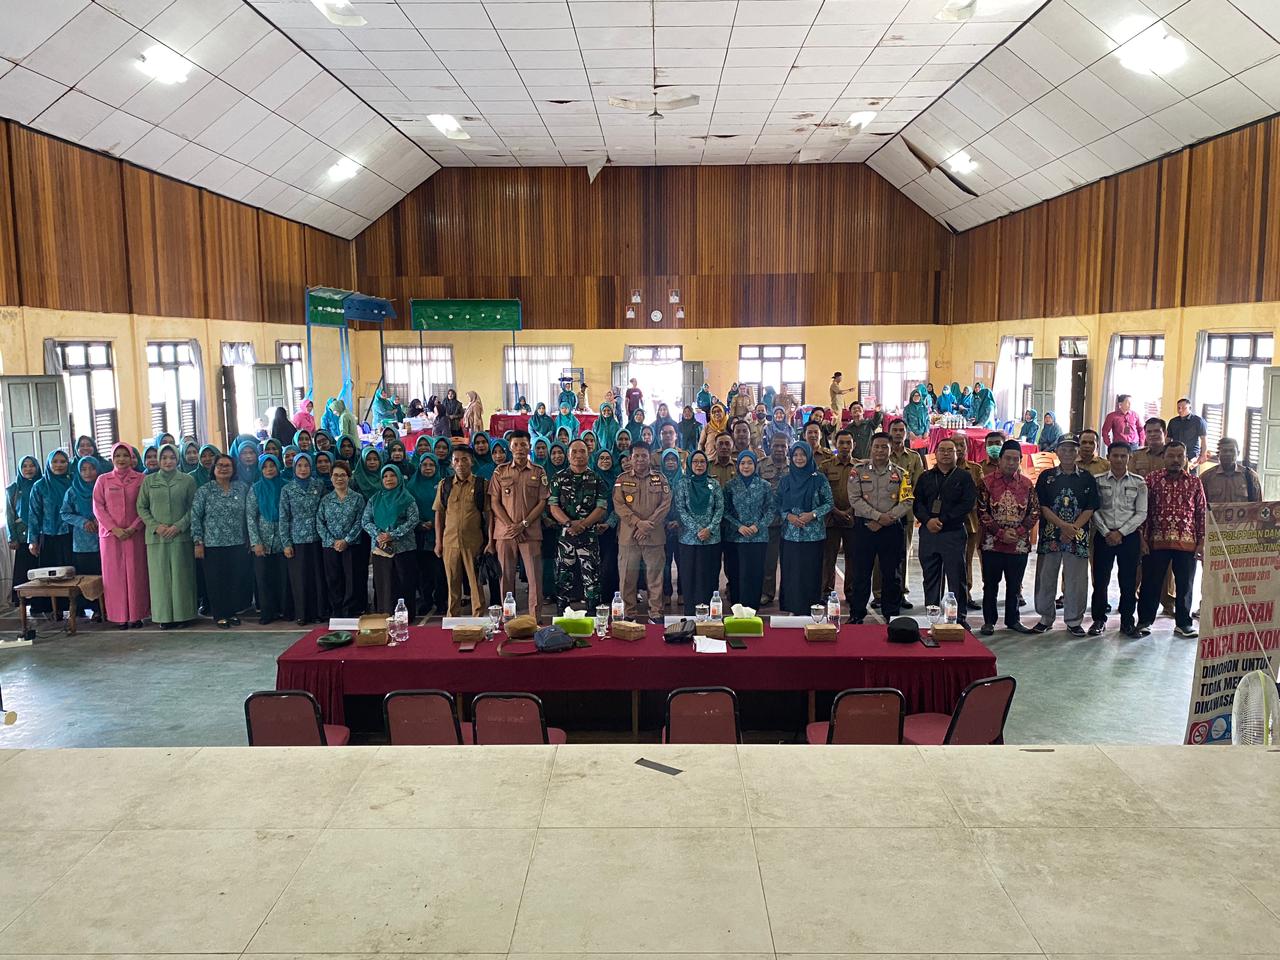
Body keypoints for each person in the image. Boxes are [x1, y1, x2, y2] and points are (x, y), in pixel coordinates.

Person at [1031, 437, 1099, 635]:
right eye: (1064, 449)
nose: (1068, 453)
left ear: (1078, 453)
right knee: (1046, 577)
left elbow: (1090, 507)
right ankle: (1045, 618)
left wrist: (1073, 528)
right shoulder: (1047, 476)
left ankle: (1074, 620)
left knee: (1076, 580)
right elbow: (1042, 505)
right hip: (1050, 536)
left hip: (1078, 537)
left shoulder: (1087, 478)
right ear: (1057, 452)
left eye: (1072, 450)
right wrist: (1062, 526)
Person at [1138, 442, 1206, 639]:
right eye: (1171, 456)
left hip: (1187, 543)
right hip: (1156, 541)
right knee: (1151, 583)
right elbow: (1143, 511)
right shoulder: (1151, 480)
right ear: (1164, 457)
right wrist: (1142, 538)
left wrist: (1202, 542)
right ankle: (1144, 621)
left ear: (1185, 458)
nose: (1176, 460)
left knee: (1185, 585)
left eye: (1179, 456)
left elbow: (1201, 513)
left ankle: (1183, 624)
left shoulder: (1195, 482)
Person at [847, 433, 913, 623]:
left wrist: (887, 519)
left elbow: (907, 500)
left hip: (891, 529)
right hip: (865, 527)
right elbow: (855, 499)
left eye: (884, 447)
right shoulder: (858, 471)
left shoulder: (901, 473)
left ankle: (891, 612)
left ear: (891, 449)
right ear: (871, 448)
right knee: (861, 573)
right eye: (876, 446)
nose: (880, 450)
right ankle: (857, 613)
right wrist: (877, 517)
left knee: (892, 573)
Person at [976, 440, 1038, 635]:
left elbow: (1034, 512)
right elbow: (982, 511)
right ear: (1000, 459)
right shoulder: (986, 482)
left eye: (1015, 459)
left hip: (1018, 544)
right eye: (1008, 458)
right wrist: (1001, 533)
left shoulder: (1027, 484)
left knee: (1014, 586)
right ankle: (989, 621)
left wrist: (1018, 532)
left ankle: (1013, 620)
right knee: (990, 585)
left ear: (1020, 460)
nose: (1011, 463)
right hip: (992, 543)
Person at [912, 438, 976, 626]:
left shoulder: (964, 477)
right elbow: (917, 503)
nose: (946, 454)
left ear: (957, 454)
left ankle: (959, 618)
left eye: (950, 450)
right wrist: (927, 520)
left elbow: (967, 503)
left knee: (956, 577)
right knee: (930, 577)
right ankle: (932, 616)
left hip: (953, 532)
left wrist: (943, 520)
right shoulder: (926, 477)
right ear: (936, 453)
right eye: (942, 450)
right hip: (929, 533)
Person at [1089, 441, 1148, 638]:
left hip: (1128, 537)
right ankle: (1099, 619)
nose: (1119, 460)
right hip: (1103, 536)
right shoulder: (1097, 481)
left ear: (1129, 458)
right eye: (1115, 456)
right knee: (1100, 580)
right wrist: (1106, 532)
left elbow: (1141, 513)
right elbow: (1093, 509)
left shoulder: (1139, 482)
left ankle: (1127, 621)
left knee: (1128, 582)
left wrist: (1121, 533)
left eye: (1124, 456)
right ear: (1108, 457)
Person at [489, 429, 549, 616]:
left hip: (530, 532)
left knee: (534, 577)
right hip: (505, 533)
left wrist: (523, 524)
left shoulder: (539, 472)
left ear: (529, 446)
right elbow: (494, 502)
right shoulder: (500, 471)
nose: (520, 448)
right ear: (510, 447)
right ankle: (508, 616)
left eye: (523, 444)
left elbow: (542, 502)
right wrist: (511, 526)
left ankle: (535, 617)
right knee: (506, 577)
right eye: (515, 445)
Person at [136, 444, 197, 629]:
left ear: (177, 459)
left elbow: (193, 507)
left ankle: (184, 615)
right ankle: (164, 616)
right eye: (164, 458)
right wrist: (156, 526)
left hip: (181, 537)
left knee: (181, 576)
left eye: (172, 457)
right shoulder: (149, 481)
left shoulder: (187, 480)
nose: (168, 461)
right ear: (158, 460)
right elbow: (141, 507)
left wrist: (179, 526)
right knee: (160, 578)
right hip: (157, 538)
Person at [612, 441, 672, 622]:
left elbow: (665, 504)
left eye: (644, 455)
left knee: (655, 577)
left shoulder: (660, 479)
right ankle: (628, 613)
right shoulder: (621, 480)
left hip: (654, 536)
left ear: (650, 457)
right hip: (629, 537)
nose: (640, 459)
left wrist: (648, 525)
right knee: (627, 578)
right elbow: (619, 505)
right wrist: (638, 523)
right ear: (630, 458)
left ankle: (656, 612)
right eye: (636, 456)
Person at [190, 453, 250, 629]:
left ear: (233, 469)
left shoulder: (242, 488)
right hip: (212, 544)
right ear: (214, 469)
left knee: (234, 579)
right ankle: (220, 614)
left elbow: (249, 514)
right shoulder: (204, 490)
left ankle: (231, 613)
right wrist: (198, 542)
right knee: (216, 581)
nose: (223, 469)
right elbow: (195, 516)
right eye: (220, 465)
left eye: (227, 466)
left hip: (237, 542)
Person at [91, 444, 148, 628]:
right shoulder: (103, 480)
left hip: (135, 534)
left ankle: (137, 615)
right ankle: (118, 616)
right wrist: (114, 529)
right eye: (117, 456)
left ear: (132, 458)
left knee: (136, 574)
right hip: (110, 536)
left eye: (125, 455)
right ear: (112, 458)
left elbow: (146, 505)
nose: (121, 459)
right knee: (114, 576)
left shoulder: (141, 479)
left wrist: (134, 527)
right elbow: (98, 507)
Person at [549, 438, 608, 611]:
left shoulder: (596, 479)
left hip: (588, 536)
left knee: (592, 578)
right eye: (574, 451)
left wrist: (583, 525)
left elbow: (601, 507)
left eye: (582, 451)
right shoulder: (558, 478)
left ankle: (593, 615)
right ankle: (562, 614)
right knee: (563, 577)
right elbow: (553, 506)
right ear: (568, 455)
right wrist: (569, 523)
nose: (578, 455)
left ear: (588, 455)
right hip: (565, 536)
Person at [872, 419, 925, 609]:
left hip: (905, 514)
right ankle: (879, 594)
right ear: (889, 431)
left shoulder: (914, 458)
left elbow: (918, 485)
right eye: (894, 430)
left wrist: (902, 508)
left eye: (901, 430)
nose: (898, 433)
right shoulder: (880, 454)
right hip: (880, 513)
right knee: (879, 555)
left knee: (903, 554)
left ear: (906, 433)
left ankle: (901, 593)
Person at [777, 441, 832, 615]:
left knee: (811, 571)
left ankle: (811, 607)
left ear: (809, 456)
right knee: (792, 571)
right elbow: (777, 503)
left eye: (802, 455)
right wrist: (788, 516)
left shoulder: (819, 479)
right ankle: (792, 606)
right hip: (790, 534)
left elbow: (829, 503)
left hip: (813, 535)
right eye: (795, 455)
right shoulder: (785, 480)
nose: (799, 458)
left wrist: (812, 514)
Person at [434, 446, 488, 616]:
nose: (460, 464)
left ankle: (478, 618)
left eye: (464, 459)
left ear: (472, 462)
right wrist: (438, 542)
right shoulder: (445, 485)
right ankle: (452, 618)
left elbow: (489, 515)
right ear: (451, 463)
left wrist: (490, 542)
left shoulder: (481, 484)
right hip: (450, 543)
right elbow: (439, 514)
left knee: (475, 583)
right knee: (452, 584)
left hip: (474, 542)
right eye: (456, 460)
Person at [364, 463, 419, 619]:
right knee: (384, 583)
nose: (389, 479)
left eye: (393, 475)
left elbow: (413, 519)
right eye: (385, 476)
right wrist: (379, 535)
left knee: (404, 582)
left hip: (404, 548)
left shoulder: (407, 498)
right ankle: (385, 614)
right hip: (381, 548)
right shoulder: (375, 499)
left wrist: (393, 535)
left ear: (399, 477)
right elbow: (365, 520)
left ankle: (405, 616)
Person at [673, 449, 723, 616]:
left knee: (709, 576)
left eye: (702, 462)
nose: (699, 465)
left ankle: (710, 613)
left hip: (711, 539)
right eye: (695, 462)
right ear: (689, 464)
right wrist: (697, 529)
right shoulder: (682, 484)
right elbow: (680, 510)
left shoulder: (714, 484)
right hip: (688, 539)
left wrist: (709, 529)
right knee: (689, 577)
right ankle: (690, 613)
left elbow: (719, 509)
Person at [279, 451, 327, 625]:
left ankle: (319, 612)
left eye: (306, 465)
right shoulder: (287, 489)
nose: (303, 469)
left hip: (318, 538)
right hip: (297, 540)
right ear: (294, 467)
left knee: (317, 577)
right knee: (299, 579)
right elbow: (284, 517)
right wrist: (286, 543)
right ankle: (302, 614)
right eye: (299, 465)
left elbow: (325, 510)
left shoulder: (319, 485)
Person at [316, 460, 368, 619]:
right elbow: (320, 522)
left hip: (351, 545)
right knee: (333, 579)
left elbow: (360, 521)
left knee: (351, 578)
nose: (339, 478)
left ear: (349, 477)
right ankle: (336, 611)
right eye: (336, 475)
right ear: (331, 478)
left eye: (343, 475)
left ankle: (350, 610)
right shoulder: (325, 500)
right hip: (330, 546)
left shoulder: (358, 498)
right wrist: (333, 541)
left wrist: (346, 540)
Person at [247, 454, 289, 624]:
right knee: (264, 579)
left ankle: (285, 610)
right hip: (263, 542)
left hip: (283, 541)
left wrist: (288, 541)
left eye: (272, 466)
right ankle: (267, 613)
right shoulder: (255, 489)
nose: (269, 469)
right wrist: (256, 542)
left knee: (283, 578)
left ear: (278, 467)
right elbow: (250, 517)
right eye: (265, 467)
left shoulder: (286, 486)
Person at [60, 455, 102, 618]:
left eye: (92, 468)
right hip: (82, 541)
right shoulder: (72, 491)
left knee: (103, 575)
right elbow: (65, 513)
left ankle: (104, 608)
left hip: (103, 538)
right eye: (83, 469)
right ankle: (88, 608)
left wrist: (100, 519)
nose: (88, 472)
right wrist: (82, 522)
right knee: (85, 576)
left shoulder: (103, 487)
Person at [27, 450, 74, 591]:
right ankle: (53, 604)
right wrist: (33, 540)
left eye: (63, 461)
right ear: (48, 463)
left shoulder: (73, 483)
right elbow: (34, 514)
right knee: (50, 575)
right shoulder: (40, 486)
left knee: (72, 573)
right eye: (55, 461)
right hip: (48, 536)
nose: (59, 465)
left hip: (72, 535)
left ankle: (75, 603)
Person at [820, 430, 859, 596]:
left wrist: (851, 510)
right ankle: (826, 591)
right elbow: (821, 493)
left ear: (853, 445)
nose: (844, 446)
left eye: (848, 443)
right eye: (841, 443)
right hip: (831, 519)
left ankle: (851, 592)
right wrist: (836, 511)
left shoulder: (860, 467)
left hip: (853, 518)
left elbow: (864, 493)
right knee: (828, 558)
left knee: (853, 557)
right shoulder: (825, 466)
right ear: (835, 444)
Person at [6, 455, 42, 612]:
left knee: (41, 569)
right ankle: (25, 603)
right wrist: (12, 537)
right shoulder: (13, 489)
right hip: (22, 536)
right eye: (24, 466)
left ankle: (42, 603)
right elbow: (9, 514)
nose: (28, 469)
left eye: (32, 465)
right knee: (25, 571)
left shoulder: (43, 484)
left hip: (42, 533)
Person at [953, 431, 986, 595]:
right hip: (948, 523)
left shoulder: (975, 469)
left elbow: (980, 496)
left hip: (970, 521)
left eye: (962, 445)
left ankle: (966, 593)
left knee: (966, 559)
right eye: (955, 445)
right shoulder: (943, 469)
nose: (959, 449)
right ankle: (951, 594)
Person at [757, 434, 789, 605]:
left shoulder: (794, 465)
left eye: (783, 446)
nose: (779, 449)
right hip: (769, 522)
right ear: (770, 446)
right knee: (769, 561)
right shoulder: (761, 465)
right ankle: (767, 592)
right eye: (776, 445)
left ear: (788, 448)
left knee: (789, 561)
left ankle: (787, 594)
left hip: (790, 522)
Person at [592, 448, 622, 601]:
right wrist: (594, 521)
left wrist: (609, 524)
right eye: (601, 458)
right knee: (595, 564)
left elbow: (619, 505)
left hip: (611, 529)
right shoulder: (590, 479)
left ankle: (611, 597)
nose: (605, 461)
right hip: (592, 528)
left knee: (610, 563)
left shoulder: (617, 481)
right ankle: (595, 597)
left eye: (607, 458)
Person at [1200, 437, 1261, 505]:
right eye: (1224, 451)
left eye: (1232, 451)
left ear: (1238, 453)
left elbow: (1259, 506)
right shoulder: (1206, 477)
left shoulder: (1250, 476)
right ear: (1218, 454)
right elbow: (1200, 505)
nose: (1228, 454)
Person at [658, 448, 684, 605]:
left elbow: (688, 504)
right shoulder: (657, 480)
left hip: (682, 528)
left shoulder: (685, 480)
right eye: (667, 460)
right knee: (665, 564)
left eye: (673, 460)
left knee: (682, 563)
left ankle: (682, 593)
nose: (670, 462)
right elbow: (654, 504)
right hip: (663, 528)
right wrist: (666, 522)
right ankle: (666, 593)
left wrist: (679, 521)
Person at [1167, 398, 1209, 463]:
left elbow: (1204, 439)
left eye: (1183, 408)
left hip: (1192, 456)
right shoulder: (1173, 421)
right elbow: (1168, 439)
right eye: (1178, 408)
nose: (1180, 410)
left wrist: (1203, 455)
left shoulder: (1198, 421)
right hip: (1175, 455)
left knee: (1190, 469)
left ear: (1190, 408)